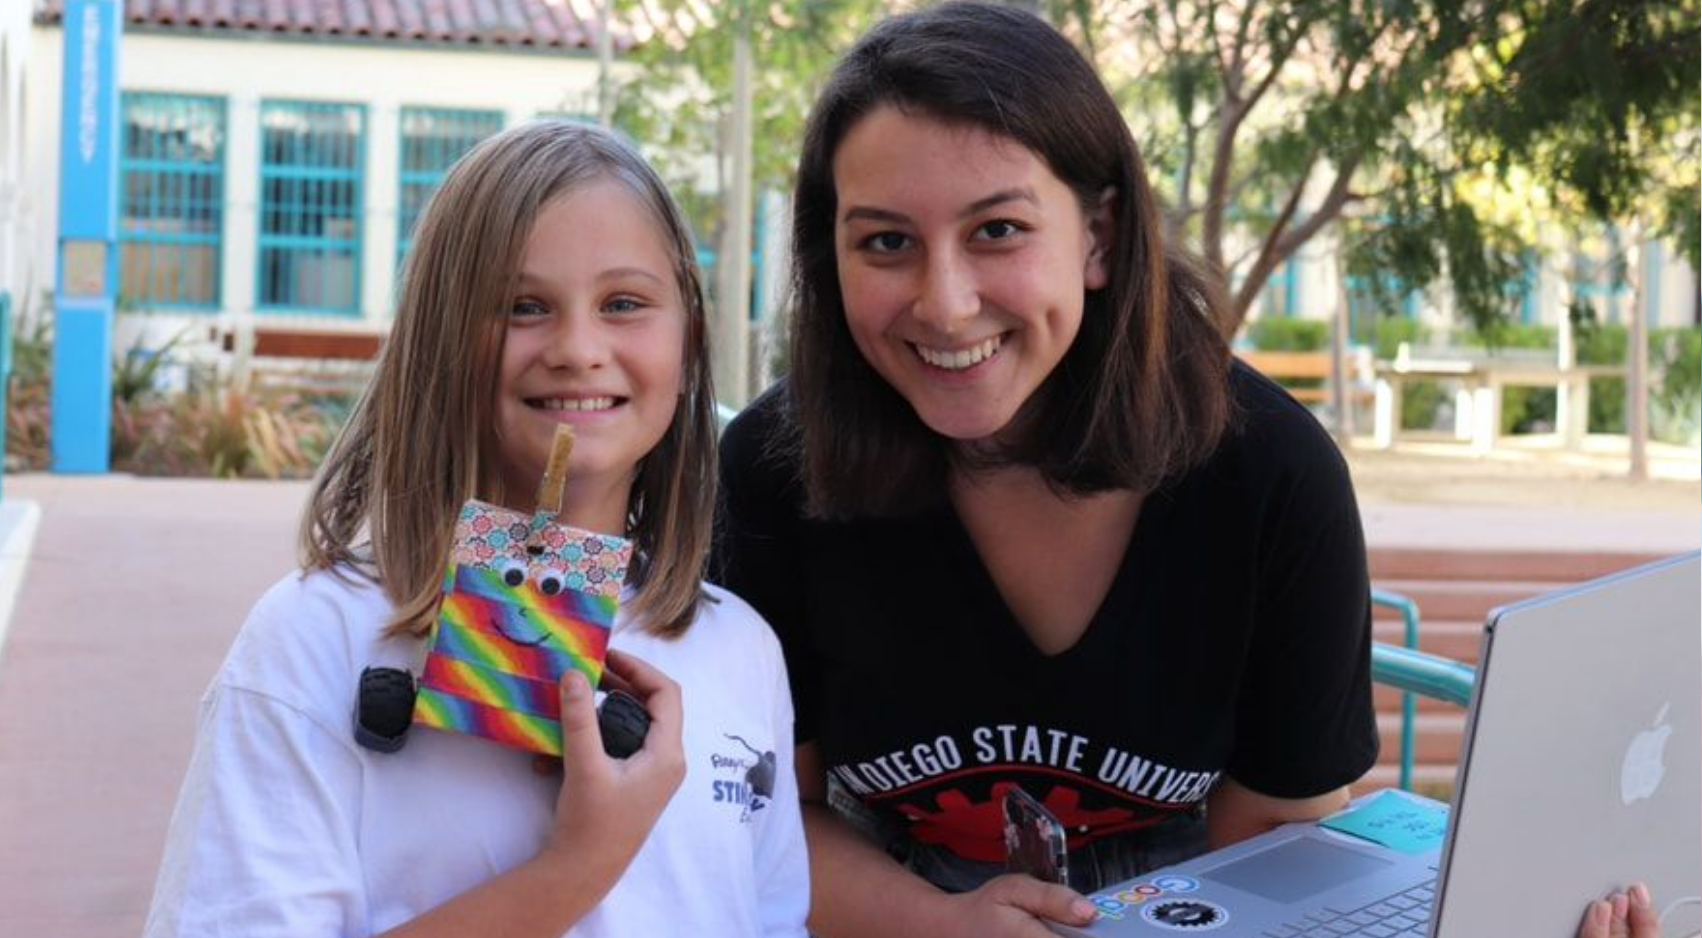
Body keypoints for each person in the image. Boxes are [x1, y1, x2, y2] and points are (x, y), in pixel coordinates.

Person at [712, 4, 1660, 938]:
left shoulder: (1270, 474)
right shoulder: (771, 471)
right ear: (828, 258)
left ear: (1099, 236)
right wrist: (939, 923)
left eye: (997, 230)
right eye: (886, 242)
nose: (947, 303)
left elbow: (1281, 855)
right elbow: (759, 819)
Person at [144, 121, 808, 938]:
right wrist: (574, 871)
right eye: (523, 307)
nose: (576, 347)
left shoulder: (740, 649)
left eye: (624, 304)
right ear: (440, 339)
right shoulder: (315, 638)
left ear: (689, 337)